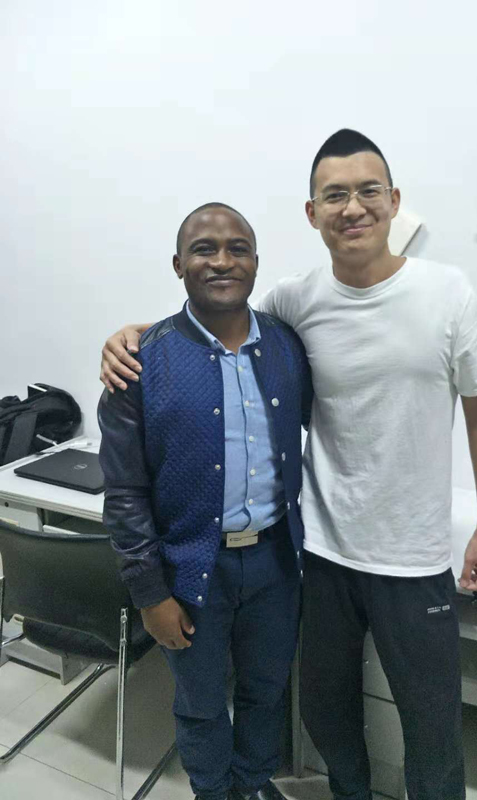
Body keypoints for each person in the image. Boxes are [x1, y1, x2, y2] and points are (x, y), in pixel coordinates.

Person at [100, 130, 477, 800]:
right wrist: (136, 338)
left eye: (367, 191)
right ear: (312, 212)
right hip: (318, 555)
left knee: (430, 723)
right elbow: (213, 324)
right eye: (335, 195)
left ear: (393, 201)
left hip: (410, 557)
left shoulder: (447, 293)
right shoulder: (296, 302)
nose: (352, 207)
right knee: (323, 711)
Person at [98, 202, 312, 800]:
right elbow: (124, 493)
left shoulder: (288, 348)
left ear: (256, 262)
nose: (222, 261)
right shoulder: (140, 361)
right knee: (200, 702)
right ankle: (213, 792)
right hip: (191, 570)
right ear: (178, 264)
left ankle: (253, 784)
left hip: (276, 562)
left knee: (267, 691)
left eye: (237, 248)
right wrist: (150, 593)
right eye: (204, 249)